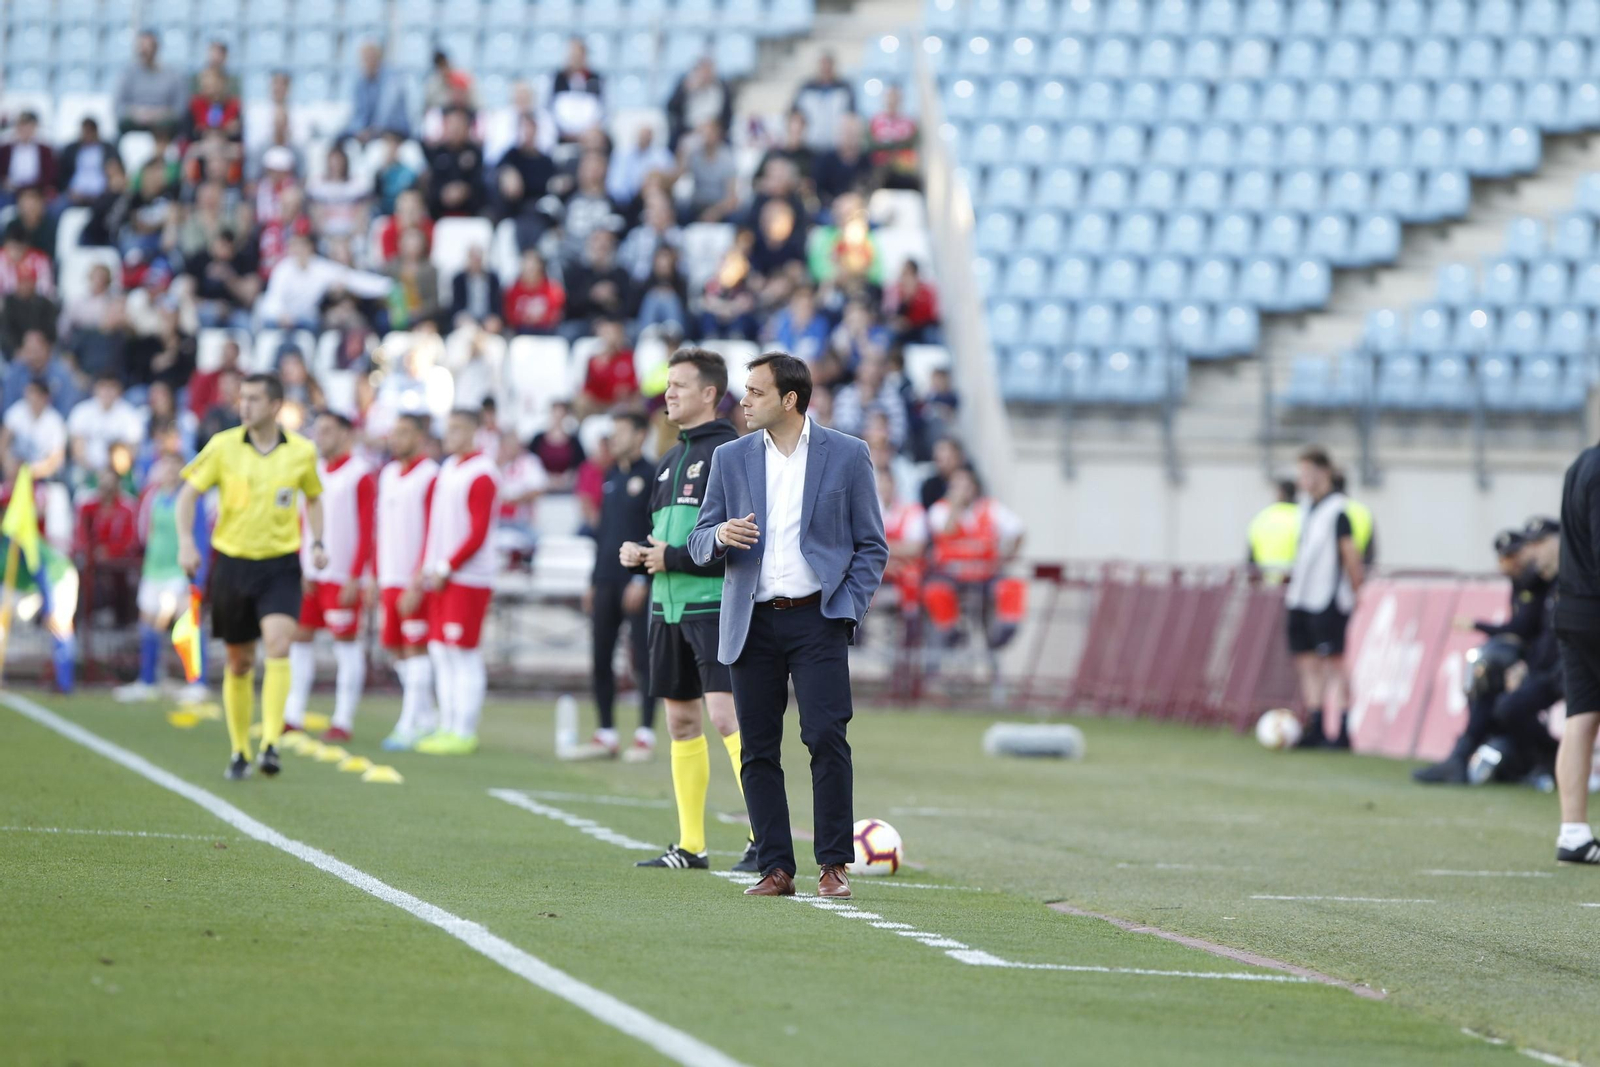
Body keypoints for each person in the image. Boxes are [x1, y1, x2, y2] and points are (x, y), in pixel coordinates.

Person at [687, 353, 888, 898]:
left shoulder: (847, 455)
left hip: (817, 619)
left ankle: (833, 864)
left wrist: (846, 607)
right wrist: (720, 536)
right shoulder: (730, 459)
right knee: (758, 746)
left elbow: (872, 545)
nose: (743, 401)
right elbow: (698, 539)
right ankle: (776, 868)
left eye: (755, 392)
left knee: (825, 736)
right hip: (750, 622)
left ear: (789, 400)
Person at [620, 349, 758, 872]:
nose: (668, 394)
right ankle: (691, 846)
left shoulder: (732, 452)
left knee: (727, 717)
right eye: (667, 385)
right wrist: (641, 556)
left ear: (708, 394)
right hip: (666, 609)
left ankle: (760, 837)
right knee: (680, 722)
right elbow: (667, 538)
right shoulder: (667, 459)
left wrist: (670, 556)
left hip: (714, 607)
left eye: (679, 385)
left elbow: (742, 539)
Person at [176, 373, 326, 781]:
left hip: (280, 564)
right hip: (233, 563)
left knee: (279, 644)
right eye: (242, 398)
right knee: (239, 660)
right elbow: (187, 494)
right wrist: (187, 542)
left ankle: (272, 743)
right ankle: (240, 749)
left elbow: (314, 497)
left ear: (276, 405)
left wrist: (317, 542)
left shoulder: (302, 451)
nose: (245, 405)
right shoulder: (223, 445)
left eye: (255, 399)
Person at [1416, 521, 1561, 786]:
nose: (1525, 556)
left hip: (1559, 669)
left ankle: (1549, 755)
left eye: (1533, 546)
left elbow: (1525, 630)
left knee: (1502, 693)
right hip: (1541, 665)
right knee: (1488, 684)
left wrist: (1476, 625)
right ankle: (1465, 756)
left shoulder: (1546, 583)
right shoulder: (1530, 582)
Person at [282, 411, 376, 743]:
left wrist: (356, 576)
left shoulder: (360, 474)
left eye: (327, 431)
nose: (319, 437)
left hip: (341, 575)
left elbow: (367, 529)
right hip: (311, 574)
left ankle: (343, 720)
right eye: (317, 430)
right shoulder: (314, 471)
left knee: (346, 646)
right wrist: (299, 565)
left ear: (345, 434)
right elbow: (301, 523)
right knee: (300, 641)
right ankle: (292, 714)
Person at [411, 408, 501, 755]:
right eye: (449, 429)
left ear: (477, 431)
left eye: (459, 429)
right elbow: (435, 526)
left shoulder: (483, 473)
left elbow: (478, 532)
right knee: (439, 651)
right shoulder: (448, 468)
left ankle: (464, 730)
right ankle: (446, 725)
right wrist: (427, 566)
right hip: (441, 575)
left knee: (463, 653)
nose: (451, 436)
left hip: (468, 577)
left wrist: (447, 565)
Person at [570, 412, 657, 760]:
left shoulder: (652, 476)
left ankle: (645, 734)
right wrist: (593, 581)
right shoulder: (610, 477)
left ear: (640, 436)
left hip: (635, 579)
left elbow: (656, 532)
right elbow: (604, 534)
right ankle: (605, 732)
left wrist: (642, 577)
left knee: (642, 657)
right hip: (605, 578)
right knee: (600, 656)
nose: (614, 438)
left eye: (621, 432)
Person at [1283, 446, 1363, 750]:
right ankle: (1316, 723)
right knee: (1307, 662)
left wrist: (1357, 589)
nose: (1304, 479)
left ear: (1325, 473)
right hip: (1301, 596)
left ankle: (1342, 728)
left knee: (1334, 663)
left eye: (1309, 473)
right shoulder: (1305, 508)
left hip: (1327, 597)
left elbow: (1349, 552)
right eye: (1301, 473)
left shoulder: (1338, 510)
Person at [115, 454, 209, 704]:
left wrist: (197, 574)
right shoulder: (153, 498)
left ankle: (197, 682)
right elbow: (146, 532)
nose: (169, 472)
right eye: (166, 467)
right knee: (148, 627)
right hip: (153, 570)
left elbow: (200, 537)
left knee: (186, 624)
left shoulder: (190, 499)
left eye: (174, 467)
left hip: (178, 571)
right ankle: (147, 681)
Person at [376, 414, 441, 750]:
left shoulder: (430, 474)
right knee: (396, 648)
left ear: (420, 436)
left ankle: (409, 722)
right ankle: (427, 716)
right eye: (394, 432)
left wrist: (418, 579)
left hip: (416, 577)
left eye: (404, 433)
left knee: (416, 648)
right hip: (389, 574)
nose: (396, 439)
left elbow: (434, 529)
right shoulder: (387, 474)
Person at [1555, 443, 1600, 864]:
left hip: (1570, 607)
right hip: (1595, 606)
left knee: (1581, 717)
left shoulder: (1581, 462)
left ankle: (1573, 832)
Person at [115, 31, 190, 134]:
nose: (144, 50)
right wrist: (137, 113)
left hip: (165, 126)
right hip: (134, 126)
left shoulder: (173, 75)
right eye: (141, 46)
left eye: (148, 46)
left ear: (156, 48)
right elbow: (118, 107)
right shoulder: (127, 74)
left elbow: (180, 109)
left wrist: (160, 114)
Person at [344, 39, 412, 144]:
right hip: (369, 132)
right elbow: (358, 112)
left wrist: (372, 132)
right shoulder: (360, 81)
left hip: (393, 130)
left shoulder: (391, 79)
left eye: (371, 57)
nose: (368, 62)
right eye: (365, 59)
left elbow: (386, 113)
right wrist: (359, 130)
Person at [791, 52, 856, 154]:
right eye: (823, 65)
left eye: (828, 65)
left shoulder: (844, 88)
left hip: (836, 146)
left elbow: (851, 115)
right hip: (810, 144)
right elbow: (796, 114)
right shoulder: (807, 88)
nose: (825, 68)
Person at [1247, 479, 1300, 583]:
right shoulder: (1303, 517)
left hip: (1266, 586)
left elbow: (1250, 560)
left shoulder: (1261, 517)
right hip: (1294, 584)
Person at [1, 112, 57, 201]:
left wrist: (36, 187)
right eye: (22, 126)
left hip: (36, 191)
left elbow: (50, 174)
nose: (25, 130)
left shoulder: (45, 150)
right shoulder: (5, 149)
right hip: (9, 191)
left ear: (35, 128)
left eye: (29, 126)